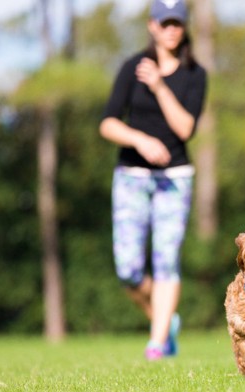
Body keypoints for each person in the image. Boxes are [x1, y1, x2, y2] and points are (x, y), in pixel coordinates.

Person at [99, 0, 207, 360]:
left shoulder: (195, 74)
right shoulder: (132, 68)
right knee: (129, 270)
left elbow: (186, 128)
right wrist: (139, 139)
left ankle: (157, 343)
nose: (171, 29)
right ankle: (164, 321)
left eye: (177, 23)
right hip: (131, 176)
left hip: (174, 178)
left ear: (185, 26)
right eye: (165, 23)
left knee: (166, 261)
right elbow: (108, 123)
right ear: (152, 26)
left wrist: (160, 87)